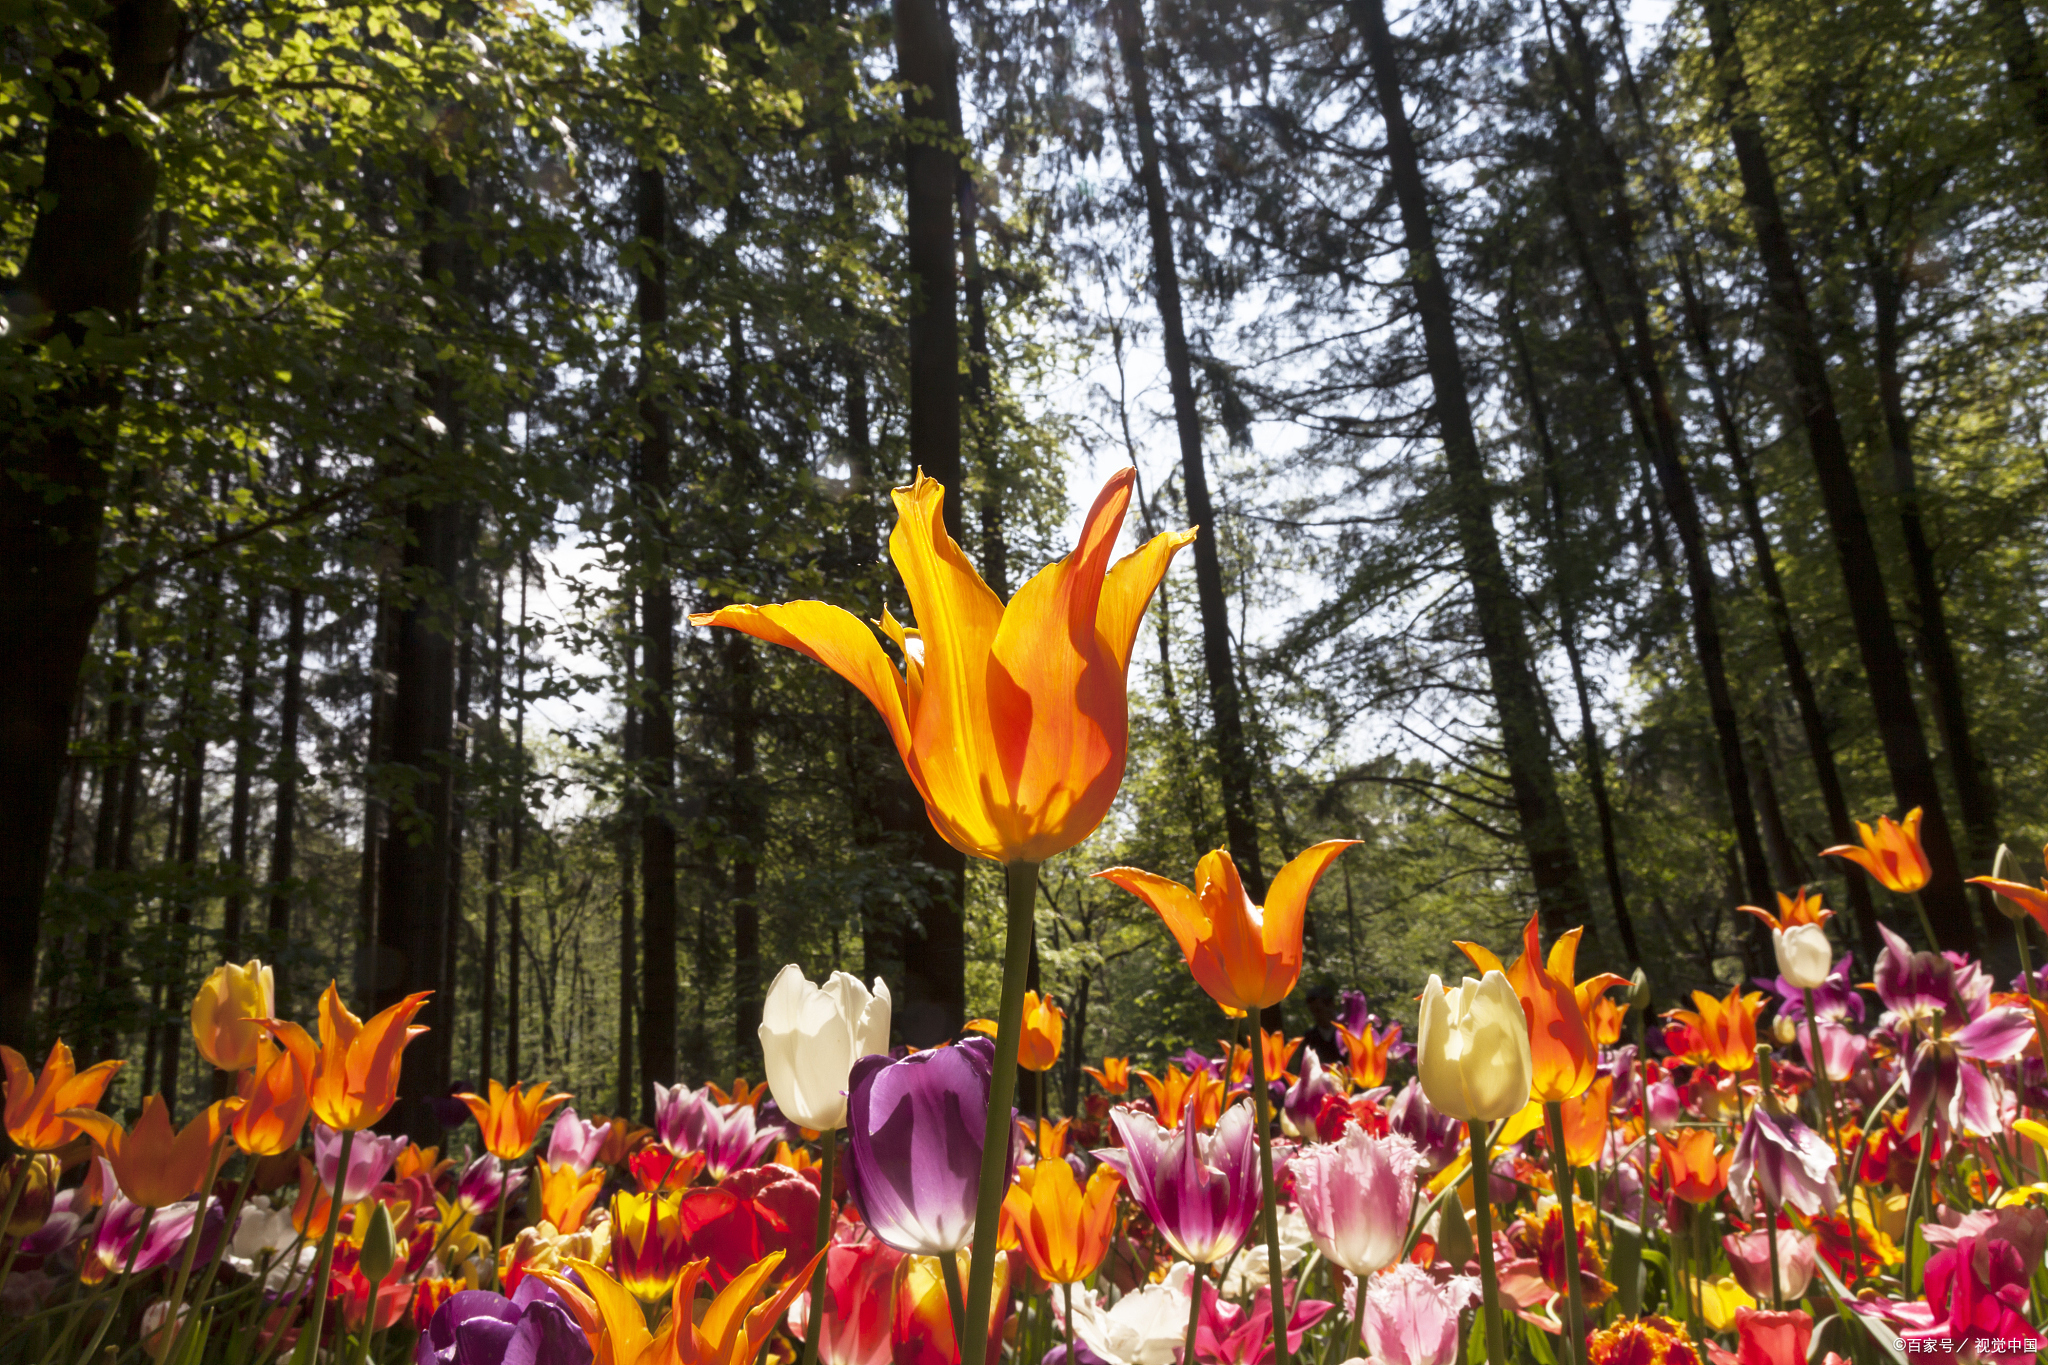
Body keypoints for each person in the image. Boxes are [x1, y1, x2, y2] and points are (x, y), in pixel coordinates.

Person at [1302, 979, 1345, 1065]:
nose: (1316, 1016)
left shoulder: (1347, 1032)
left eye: (1318, 1010)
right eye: (1312, 1012)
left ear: (1331, 1006)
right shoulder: (1309, 1038)